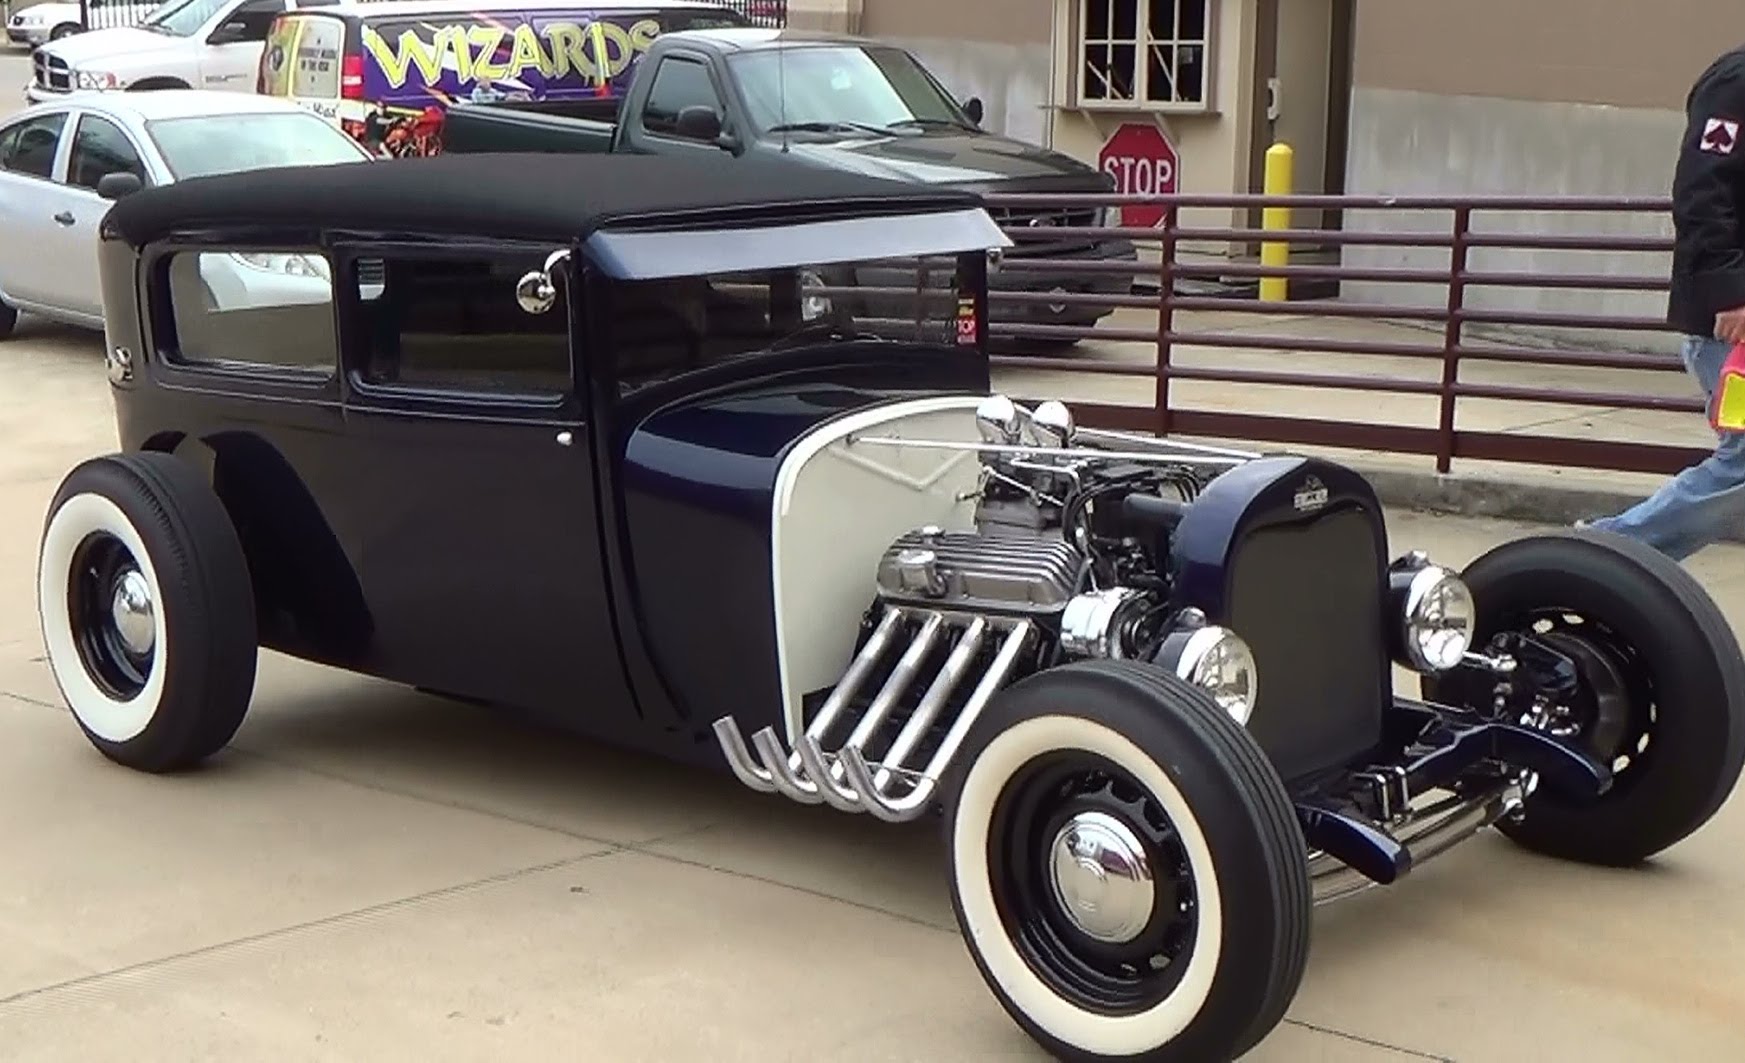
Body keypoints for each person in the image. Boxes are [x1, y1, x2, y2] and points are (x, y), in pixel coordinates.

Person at [1584, 44, 1745, 560]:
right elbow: (1703, 190)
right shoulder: (1737, 82)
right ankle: (1606, 555)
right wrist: (1731, 290)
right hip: (1736, 328)